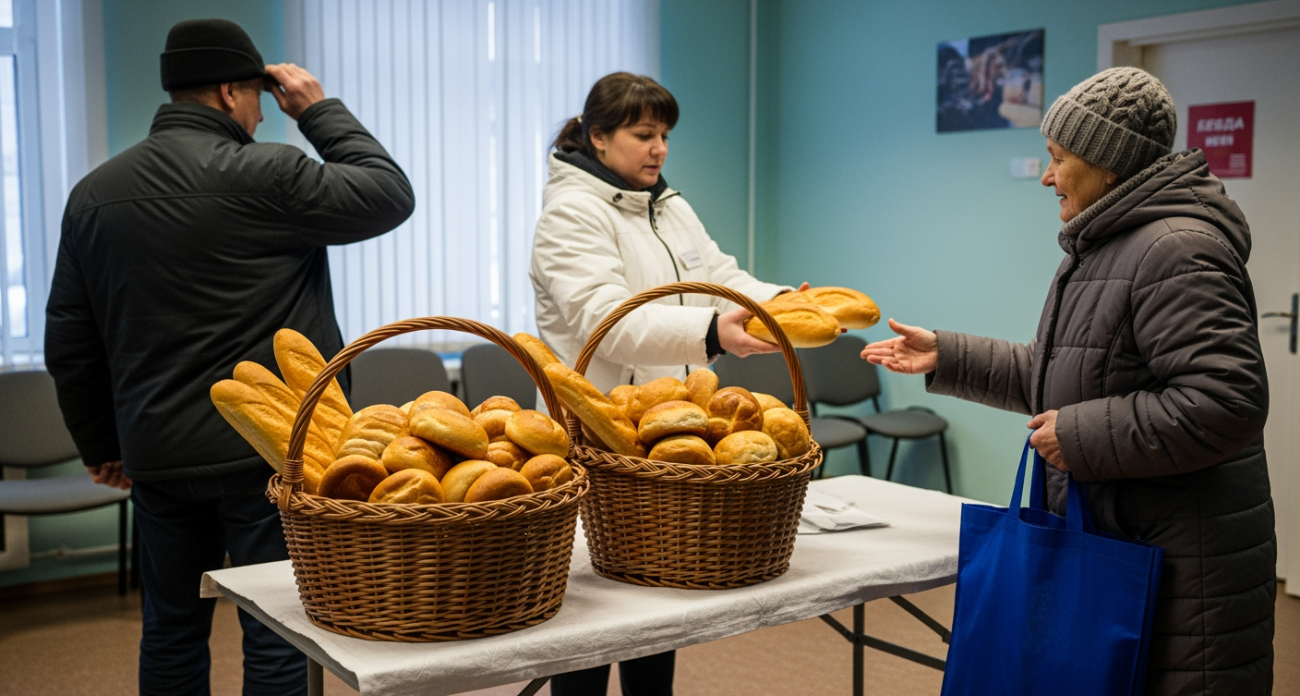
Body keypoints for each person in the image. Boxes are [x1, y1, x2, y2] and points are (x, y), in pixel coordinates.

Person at [862, 67, 1273, 695]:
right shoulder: (1106, 243)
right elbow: (1069, 374)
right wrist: (948, 356)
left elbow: (1226, 401)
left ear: (1109, 164)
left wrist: (1078, 436)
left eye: (1058, 158)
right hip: (1133, 545)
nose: (1047, 175)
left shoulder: (1176, 248)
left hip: (1183, 573)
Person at [44, 19, 414, 696]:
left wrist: (102, 443)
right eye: (257, 96)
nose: (259, 111)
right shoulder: (270, 173)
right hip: (268, 452)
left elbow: (71, 336)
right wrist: (316, 109)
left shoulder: (93, 195)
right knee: (278, 635)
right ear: (229, 92)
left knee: (171, 629)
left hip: (156, 454)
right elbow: (388, 194)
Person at [529, 72, 794, 696]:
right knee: (593, 619)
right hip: (597, 434)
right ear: (598, 138)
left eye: (665, 135)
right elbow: (607, 320)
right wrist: (713, 332)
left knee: (659, 599)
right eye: (644, 134)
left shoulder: (668, 207)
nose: (660, 149)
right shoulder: (569, 214)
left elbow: (720, 276)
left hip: (668, 434)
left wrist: (780, 301)